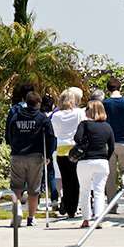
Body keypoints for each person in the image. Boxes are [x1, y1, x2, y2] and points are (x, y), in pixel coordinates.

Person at [5, 90, 49, 226]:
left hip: (17, 155)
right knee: (33, 189)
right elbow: (50, 136)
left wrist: (13, 145)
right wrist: (48, 153)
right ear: (38, 103)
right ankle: (31, 217)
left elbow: (9, 133)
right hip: (35, 156)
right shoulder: (42, 118)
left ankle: (16, 216)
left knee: (16, 188)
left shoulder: (16, 116)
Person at [73, 99, 116, 228]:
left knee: (85, 191)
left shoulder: (84, 125)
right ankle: (98, 218)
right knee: (99, 191)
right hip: (101, 161)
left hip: (85, 161)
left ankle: (86, 219)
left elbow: (77, 139)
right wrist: (105, 157)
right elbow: (112, 146)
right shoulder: (107, 126)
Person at [49, 86, 86, 218]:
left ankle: (66, 200)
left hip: (61, 149)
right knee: (75, 180)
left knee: (65, 179)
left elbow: (54, 132)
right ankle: (72, 207)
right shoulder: (79, 113)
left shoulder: (56, 115)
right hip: (75, 148)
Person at [102, 79, 124, 201]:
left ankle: (112, 204)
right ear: (120, 88)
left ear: (108, 89)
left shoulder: (105, 103)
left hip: (108, 143)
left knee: (110, 175)